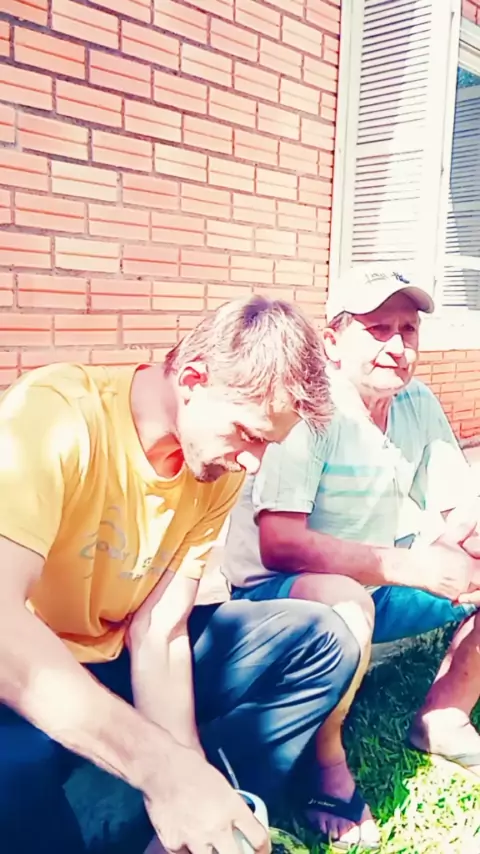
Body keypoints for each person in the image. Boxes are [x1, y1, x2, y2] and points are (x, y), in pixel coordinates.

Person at [0, 296, 360, 854]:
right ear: (193, 379)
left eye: (268, 444)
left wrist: (188, 772)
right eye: (248, 434)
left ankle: (206, 826)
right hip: (28, 667)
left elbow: (161, 632)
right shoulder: (57, 414)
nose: (254, 462)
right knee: (14, 769)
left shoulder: (217, 466)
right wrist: (160, 769)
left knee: (322, 640)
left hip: (113, 652)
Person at [221, 268, 480, 852]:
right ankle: (327, 768)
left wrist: (460, 541)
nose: (397, 346)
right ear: (332, 341)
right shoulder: (309, 410)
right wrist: (411, 566)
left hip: (375, 583)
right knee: (347, 601)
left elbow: (460, 504)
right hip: (282, 600)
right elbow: (279, 544)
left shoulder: (415, 400)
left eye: (408, 330)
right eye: (377, 329)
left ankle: (443, 717)